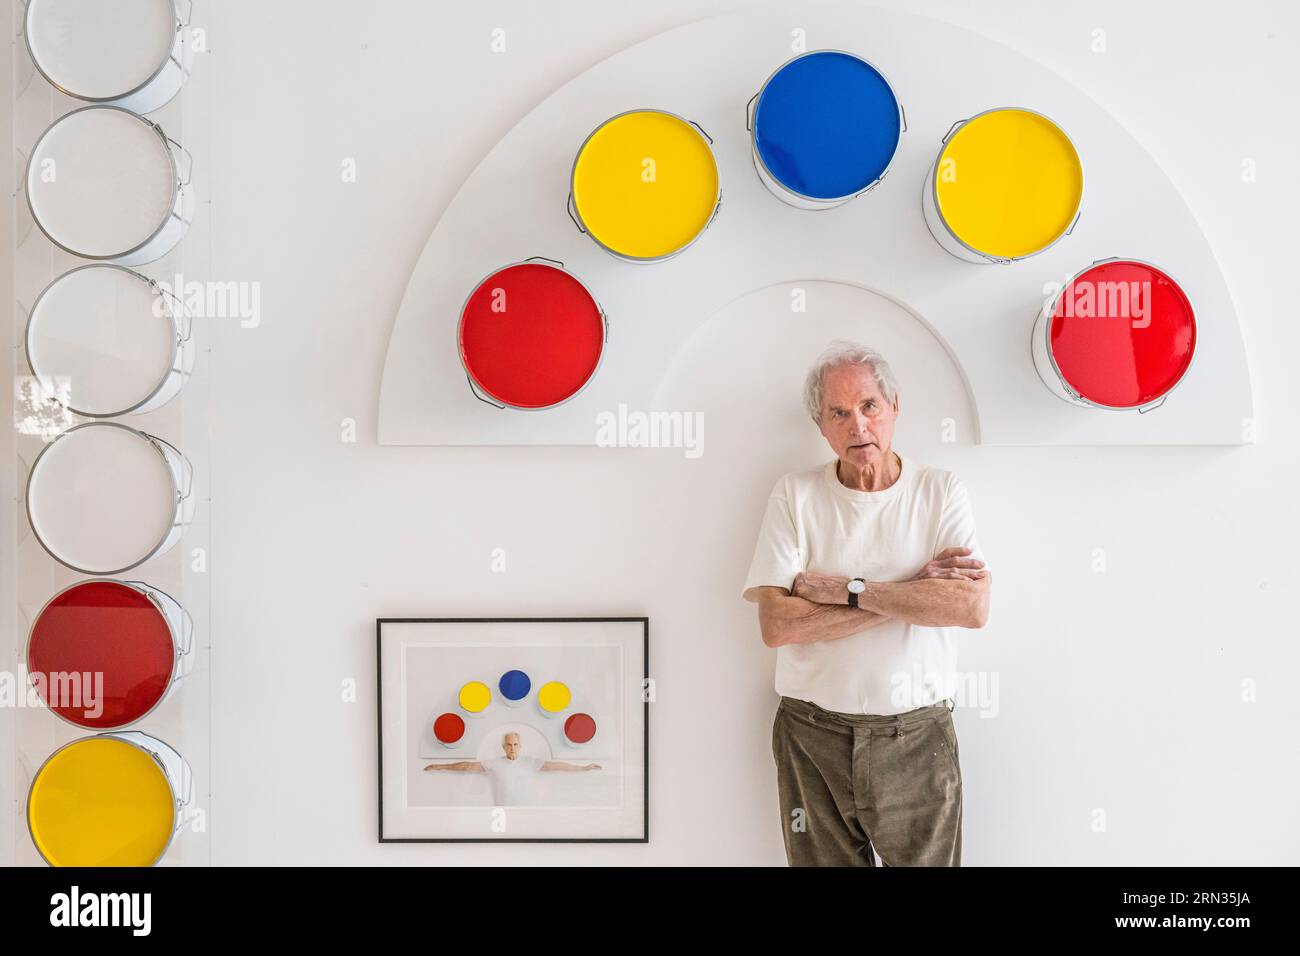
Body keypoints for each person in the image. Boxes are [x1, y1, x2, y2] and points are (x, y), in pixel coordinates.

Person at [741, 341, 992, 867]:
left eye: (869, 406)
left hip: (917, 737)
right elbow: (778, 626)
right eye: (838, 412)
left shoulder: (940, 491)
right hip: (811, 737)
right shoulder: (795, 495)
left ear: (894, 406)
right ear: (820, 424)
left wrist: (847, 589)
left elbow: (968, 608)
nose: (857, 426)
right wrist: (912, 592)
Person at [424, 731, 600, 806]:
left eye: (515, 744)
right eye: (509, 745)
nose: (512, 748)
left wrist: (583, 768)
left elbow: (556, 766)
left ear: (520, 745)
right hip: (501, 814)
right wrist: (440, 766)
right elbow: (468, 766)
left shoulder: (530, 762)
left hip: (526, 813)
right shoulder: (494, 763)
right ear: (503, 746)